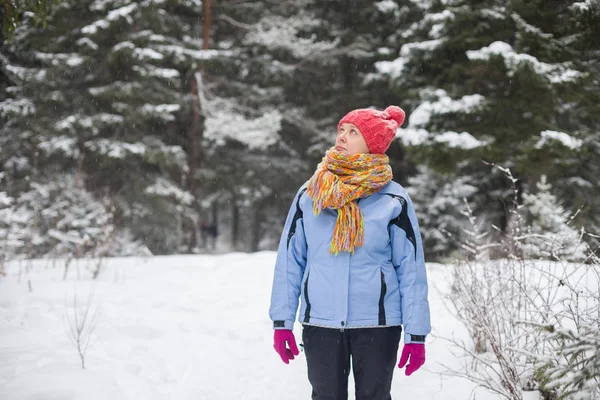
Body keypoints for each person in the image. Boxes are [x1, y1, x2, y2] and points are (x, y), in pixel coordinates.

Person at [269, 105, 431, 400]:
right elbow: (290, 261)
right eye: (341, 129)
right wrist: (282, 321)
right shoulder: (311, 193)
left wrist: (416, 334)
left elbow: (411, 270)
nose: (342, 136)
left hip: (377, 325)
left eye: (353, 132)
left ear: (372, 144)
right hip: (321, 322)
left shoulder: (393, 198)